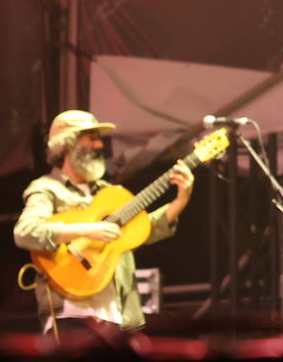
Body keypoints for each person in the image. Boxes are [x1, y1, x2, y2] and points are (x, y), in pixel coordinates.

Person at [13, 109, 194, 333]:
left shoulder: (110, 193)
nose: (100, 146)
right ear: (68, 144)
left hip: (118, 314)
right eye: (92, 139)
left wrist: (180, 201)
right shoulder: (47, 189)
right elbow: (26, 231)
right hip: (71, 314)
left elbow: (141, 230)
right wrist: (86, 230)